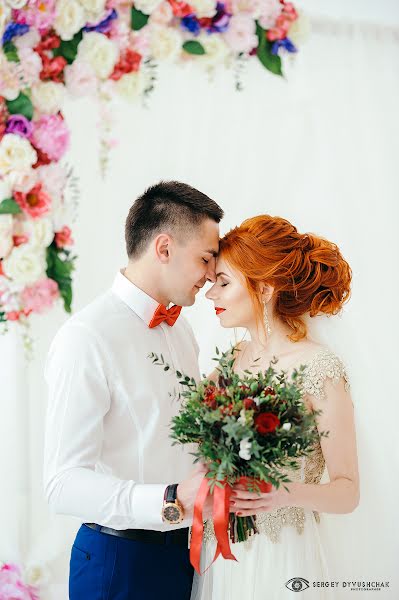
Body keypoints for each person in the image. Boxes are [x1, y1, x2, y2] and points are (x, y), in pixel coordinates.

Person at [43, 180, 242, 600]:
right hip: (119, 560)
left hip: (186, 555)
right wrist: (170, 498)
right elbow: (61, 483)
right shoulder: (86, 338)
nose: (210, 277)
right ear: (164, 248)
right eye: (206, 258)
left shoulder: (182, 330)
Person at [192, 214, 360, 600]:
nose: (210, 294)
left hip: (285, 553)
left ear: (264, 289)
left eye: (223, 282)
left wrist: (285, 494)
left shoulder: (319, 367)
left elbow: (348, 491)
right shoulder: (232, 360)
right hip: (225, 550)